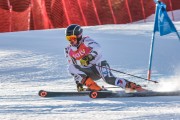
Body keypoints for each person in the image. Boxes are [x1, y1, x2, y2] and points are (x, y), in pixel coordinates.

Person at [64, 24, 144, 92]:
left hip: (99, 65)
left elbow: (97, 48)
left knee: (109, 79)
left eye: (73, 38)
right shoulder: (68, 50)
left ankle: (131, 86)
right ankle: (95, 88)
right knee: (70, 67)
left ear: (79, 36)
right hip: (88, 72)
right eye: (68, 38)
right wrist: (78, 83)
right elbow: (74, 68)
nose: (71, 41)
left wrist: (88, 57)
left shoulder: (86, 41)